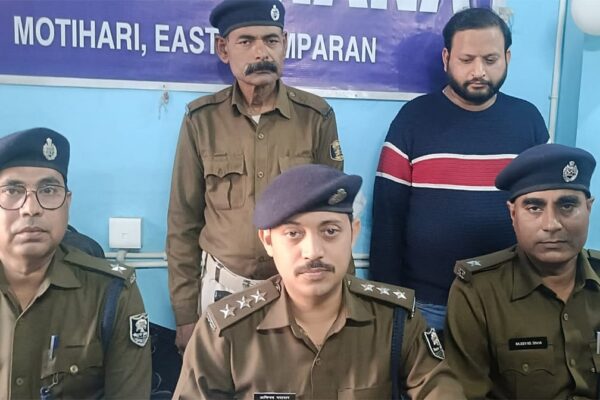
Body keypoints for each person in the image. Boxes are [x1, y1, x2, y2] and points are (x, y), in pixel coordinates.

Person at [173, 164, 465, 399]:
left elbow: (440, 390)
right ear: (268, 241)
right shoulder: (225, 332)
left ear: (353, 233)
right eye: (293, 234)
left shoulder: (396, 320)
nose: (313, 251)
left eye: (330, 232)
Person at [167, 0, 344, 353]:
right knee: (220, 379)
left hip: (298, 289)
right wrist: (185, 314)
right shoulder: (201, 121)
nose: (261, 52)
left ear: (285, 44)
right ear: (223, 49)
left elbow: (335, 217)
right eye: (246, 41)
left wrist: (340, 301)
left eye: (271, 40)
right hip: (224, 288)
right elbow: (183, 221)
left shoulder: (316, 118)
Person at [369, 7, 549, 332]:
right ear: (446, 58)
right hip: (427, 306)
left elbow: (546, 211)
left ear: (507, 57)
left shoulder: (529, 122)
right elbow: (387, 219)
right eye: (466, 60)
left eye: (490, 60)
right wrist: (387, 305)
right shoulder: (412, 120)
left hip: (510, 301)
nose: (479, 71)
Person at [0, 128, 151, 399]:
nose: (31, 208)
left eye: (48, 190)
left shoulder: (111, 293)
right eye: (12, 190)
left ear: (67, 203)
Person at [445, 143, 599, 398]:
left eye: (567, 205)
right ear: (513, 214)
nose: (552, 224)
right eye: (534, 208)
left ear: (589, 208)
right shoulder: (478, 292)